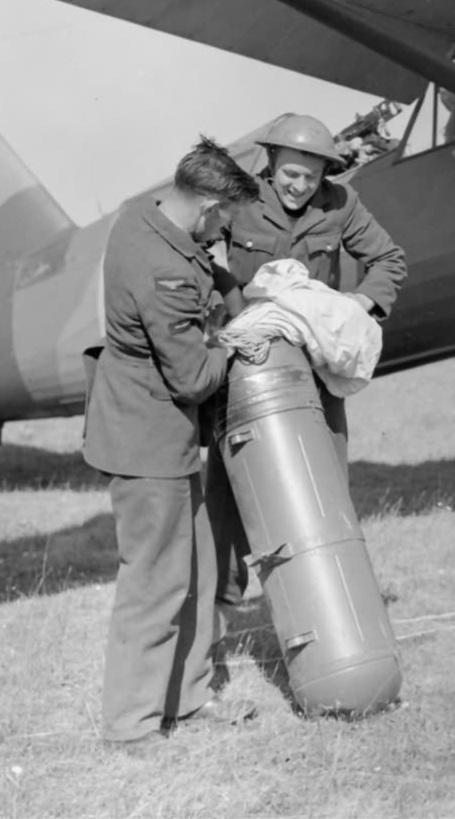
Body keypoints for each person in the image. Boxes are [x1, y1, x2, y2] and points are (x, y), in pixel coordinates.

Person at [82, 136, 261, 753]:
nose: (222, 235)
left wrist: (229, 295)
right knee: (155, 582)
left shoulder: (143, 215)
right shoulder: (164, 273)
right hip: (147, 439)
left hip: (162, 435)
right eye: (224, 222)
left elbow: (202, 269)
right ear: (209, 208)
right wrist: (234, 342)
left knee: (198, 570)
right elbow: (192, 376)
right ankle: (130, 728)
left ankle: (186, 698)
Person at [208, 113, 406, 612]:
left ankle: (334, 606)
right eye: (291, 175)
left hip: (314, 376)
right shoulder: (240, 199)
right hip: (247, 371)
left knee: (326, 487)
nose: (300, 187)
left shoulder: (342, 204)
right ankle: (220, 609)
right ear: (271, 165)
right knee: (232, 495)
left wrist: (354, 306)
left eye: (311, 178)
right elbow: (199, 257)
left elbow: (389, 261)